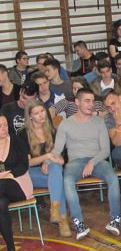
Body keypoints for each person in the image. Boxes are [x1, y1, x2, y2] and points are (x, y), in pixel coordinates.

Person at [52, 88, 121, 240]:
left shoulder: (99, 122)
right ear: (77, 102)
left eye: (93, 101)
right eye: (87, 101)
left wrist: (92, 162)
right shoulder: (66, 124)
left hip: (97, 160)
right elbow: (57, 150)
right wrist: (47, 160)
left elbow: (105, 150)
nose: (91, 105)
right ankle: (79, 222)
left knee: (113, 178)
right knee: (67, 180)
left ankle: (115, 219)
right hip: (75, 162)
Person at [21, 100, 70, 237]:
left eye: (42, 111)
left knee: (56, 170)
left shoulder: (53, 130)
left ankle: (56, 212)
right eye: (36, 113)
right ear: (30, 116)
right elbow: (27, 163)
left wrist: (50, 161)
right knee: (58, 179)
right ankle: (62, 219)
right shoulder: (23, 134)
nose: (41, 115)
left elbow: (62, 159)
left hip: (52, 172)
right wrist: (47, 157)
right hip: (31, 173)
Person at [0, 114, 33, 251]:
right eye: (0, 126)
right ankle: (11, 249)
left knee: (3, 184)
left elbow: (24, 165)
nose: (3, 128)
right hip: (2, 188)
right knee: (1, 204)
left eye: (5, 125)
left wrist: (9, 174)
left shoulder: (17, 140)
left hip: (18, 182)